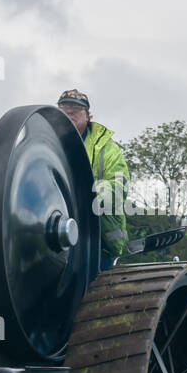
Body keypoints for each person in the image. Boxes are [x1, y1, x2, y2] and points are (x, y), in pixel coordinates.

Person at [56, 88, 129, 270]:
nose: (69, 112)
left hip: (97, 240)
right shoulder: (45, 143)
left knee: (93, 295)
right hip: (53, 234)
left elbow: (119, 187)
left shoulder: (107, 149)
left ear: (88, 116)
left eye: (76, 108)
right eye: (64, 108)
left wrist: (88, 192)